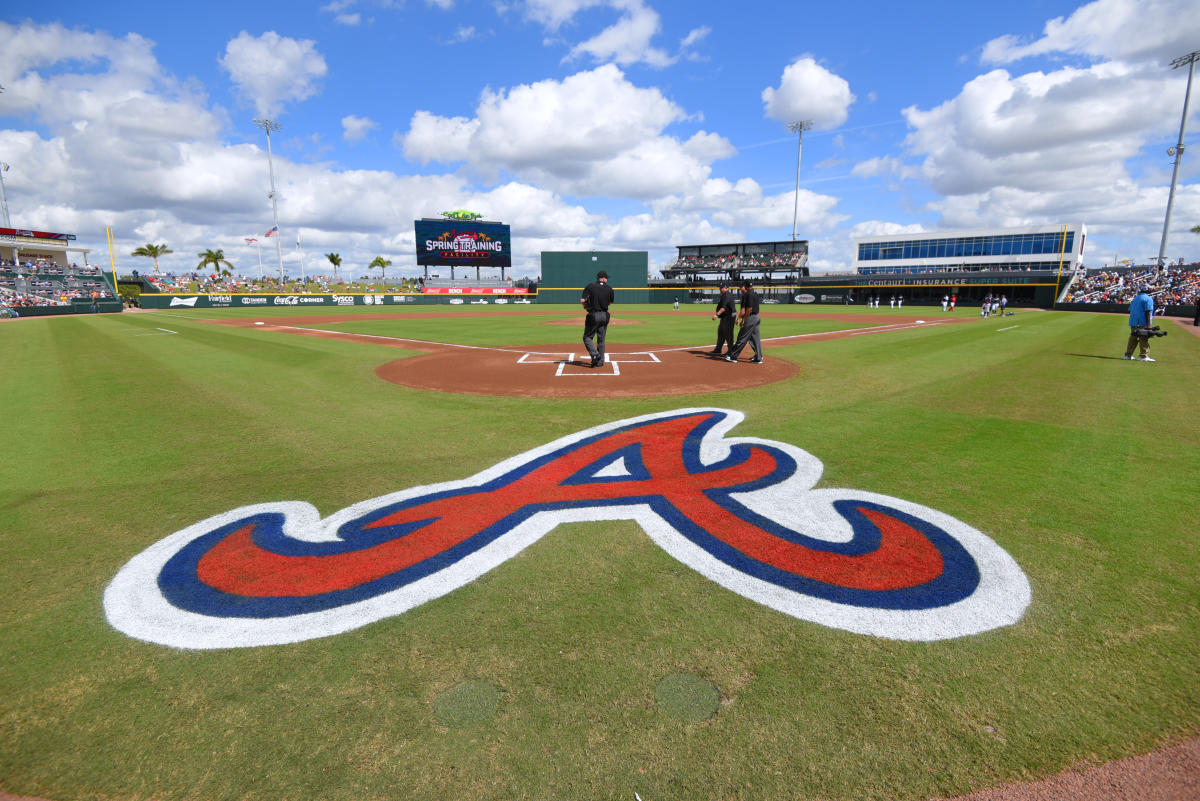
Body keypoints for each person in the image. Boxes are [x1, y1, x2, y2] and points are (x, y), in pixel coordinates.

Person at [580, 270, 614, 368]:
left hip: (594, 315)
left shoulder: (590, 286)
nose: (607, 279)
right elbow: (610, 302)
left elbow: (583, 300)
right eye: (606, 278)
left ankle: (595, 355)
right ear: (603, 278)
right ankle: (600, 361)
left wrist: (587, 307)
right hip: (605, 315)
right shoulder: (609, 288)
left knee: (587, 337)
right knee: (601, 340)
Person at [725, 280, 763, 364]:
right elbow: (743, 309)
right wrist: (739, 318)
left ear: (745, 286)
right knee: (755, 339)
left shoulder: (748, 295)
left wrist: (743, 320)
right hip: (756, 317)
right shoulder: (755, 293)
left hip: (750, 318)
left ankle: (733, 356)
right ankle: (759, 357)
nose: (740, 289)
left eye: (741, 287)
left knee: (742, 337)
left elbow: (749, 309)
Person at [1124, 289, 1155, 362]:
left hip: (1133, 321)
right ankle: (1143, 356)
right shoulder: (1148, 299)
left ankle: (1128, 355)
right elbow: (1148, 312)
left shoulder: (1135, 298)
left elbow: (1130, 309)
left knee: (1133, 338)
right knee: (1143, 338)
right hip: (1142, 322)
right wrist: (1149, 325)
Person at [709, 284, 736, 357]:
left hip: (729, 317)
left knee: (728, 334)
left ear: (726, 288)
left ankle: (731, 352)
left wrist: (716, 315)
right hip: (725, 317)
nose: (720, 289)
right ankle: (718, 349)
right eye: (719, 288)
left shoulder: (726, 295)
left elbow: (723, 308)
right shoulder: (725, 295)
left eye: (721, 288)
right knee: (721, 332)